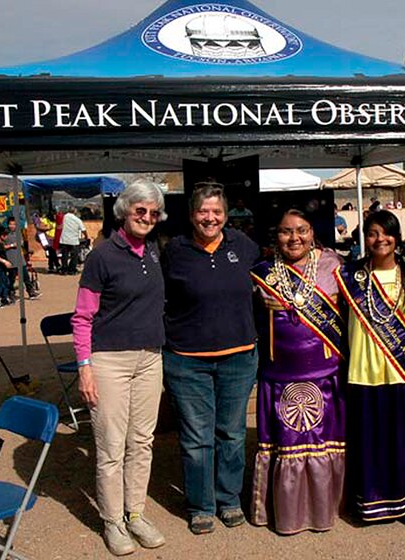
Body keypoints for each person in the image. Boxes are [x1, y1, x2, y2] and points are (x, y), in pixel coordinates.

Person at [71, 179, 168, 556]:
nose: (146, 217)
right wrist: (85, 367)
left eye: (153, 212)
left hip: (150, 357)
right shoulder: (102, 256)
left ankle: (136, 513)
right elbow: (82, 317)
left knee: (142, 442)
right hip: (109, 360)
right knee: (111, 446)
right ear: (124, 211)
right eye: (139, 210)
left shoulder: (155, 250)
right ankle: (112, 521)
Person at [162, 183, 259, 535]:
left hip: (238, 359)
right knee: (196, 438)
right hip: (187, 361)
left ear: (226, 215)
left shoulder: (243, 246)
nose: (210, 218)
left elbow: (269, 280)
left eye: (216, 211)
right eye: (203, 211)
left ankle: (229, 499)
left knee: (231, 433)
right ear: (191, 215)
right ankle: (201, 506)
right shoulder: (174, 250)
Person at [250, 209, 346, 534]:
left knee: (323, 443)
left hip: (324, 373)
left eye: (301, 230)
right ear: (275, 235)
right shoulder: (262, 272)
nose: (294, 238)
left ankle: (325, 509)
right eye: (286, 231)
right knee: (285, 444)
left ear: (312, 232)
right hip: (279, 376)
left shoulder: (334, 266)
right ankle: (284, 512)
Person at [335, 210, 405, 522]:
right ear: (364, 238)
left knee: (401, 440)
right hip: (362, 371)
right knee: (367, 441)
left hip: (401, 370)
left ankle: (404, 503)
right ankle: (369, 503)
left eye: (386, 233)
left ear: (397, 238)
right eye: (372, 233)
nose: (379, 239)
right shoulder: (350, 275)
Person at [60, 206, 87, 275]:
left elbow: (59, 226)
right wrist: (86, 236)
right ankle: (72, 270)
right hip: (73, 240)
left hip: (64, 239)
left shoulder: (64, 217)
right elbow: (83, 230)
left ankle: (64, 270)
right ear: (75, 212)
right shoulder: (77, 220)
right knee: (74, 256)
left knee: (64, 256)